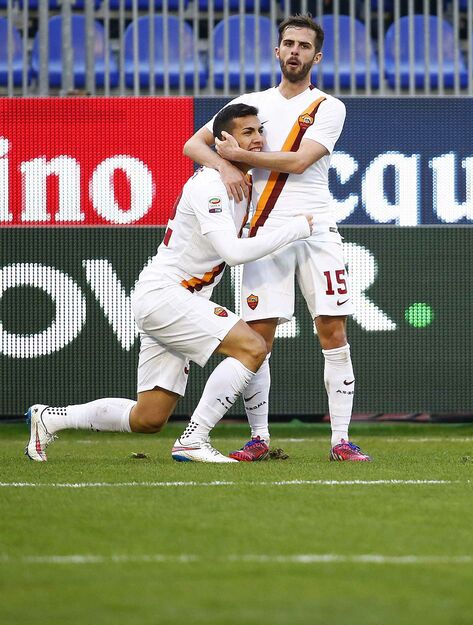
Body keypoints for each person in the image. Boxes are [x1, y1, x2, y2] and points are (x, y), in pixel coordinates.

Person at [26, 104, 315, 464]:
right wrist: (299, 228)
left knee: (148, 417)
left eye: (259, 131)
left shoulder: (237, 178)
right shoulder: (210, 185)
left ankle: (48, 419)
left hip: (174, 299)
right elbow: (233, 252)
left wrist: (228, 164)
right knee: (253, 348)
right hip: (167, 295)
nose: (257, 140)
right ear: (224, 140)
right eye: (247, 133)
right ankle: (194, 439)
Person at [182, 14, 371, 463]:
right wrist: (227, 166)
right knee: (258, 337)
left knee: (333, 329)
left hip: (316, 230)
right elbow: (194, 145)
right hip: (262, 232)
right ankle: (259, 438)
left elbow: (301, 161)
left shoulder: (328, 106)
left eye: (304, 46)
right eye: (288, 43)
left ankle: (340, 440)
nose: (294, 52)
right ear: (276, 50)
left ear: (316, 56)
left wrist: (240, 153)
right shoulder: (249, 103)